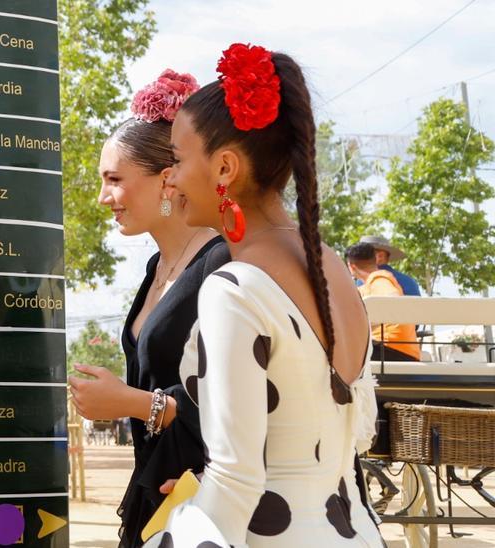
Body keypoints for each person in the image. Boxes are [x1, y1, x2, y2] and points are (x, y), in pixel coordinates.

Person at [150, 43, 383, 546]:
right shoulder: (329, 265)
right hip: (354, 531)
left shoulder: (234, 289)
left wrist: (188, 524)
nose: (169, 178)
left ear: (225, 169)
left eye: (176, 159)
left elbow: (236, 484)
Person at [71, 69, 227, 547]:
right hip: (159, 491)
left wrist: (134, 404)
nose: (103, 197)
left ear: (165, 180)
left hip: (208, 502)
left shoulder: (222, 262)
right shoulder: (157, 267)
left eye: (114, 179)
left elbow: (240, 395)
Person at [346, 242, 420, 361]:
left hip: (390, 349)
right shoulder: (368, 285)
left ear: (351, 266)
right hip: (399, 350)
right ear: (375, 259)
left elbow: (392, 297)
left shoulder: (379, 279)